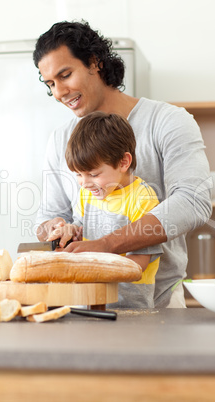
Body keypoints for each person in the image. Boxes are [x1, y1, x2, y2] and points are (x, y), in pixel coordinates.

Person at [33, 20, 212, 308]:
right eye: (50, 84)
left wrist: (106, 246)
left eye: (65, 75)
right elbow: (49, 215)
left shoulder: (167, 121)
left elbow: (193, 201)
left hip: (158, 303)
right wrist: (55, 228)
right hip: (86, 304)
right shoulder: (60, 139)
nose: (59, 92)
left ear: (94, 62)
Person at [47, 111, 163, 308]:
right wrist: (70, 231)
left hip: (129, 308)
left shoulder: (143, 199)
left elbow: (139, 264)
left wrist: (90, 262)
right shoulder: (88, 193)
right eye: (78, 175)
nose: (84, 183)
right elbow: (82, 227)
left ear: (123, 162)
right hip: (89, 304)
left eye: (93, 174)